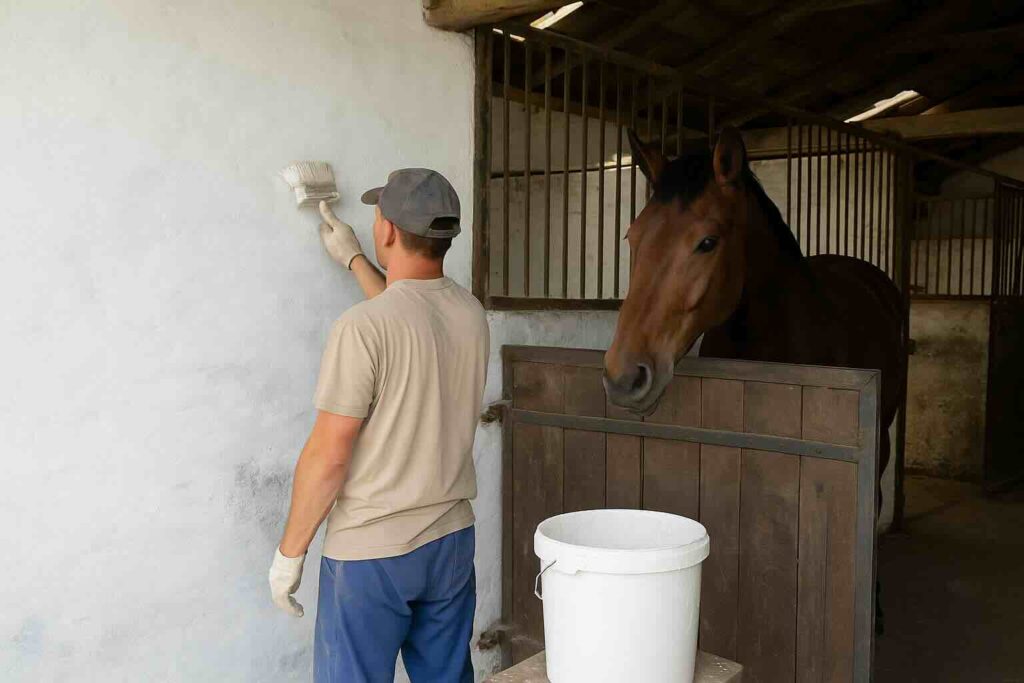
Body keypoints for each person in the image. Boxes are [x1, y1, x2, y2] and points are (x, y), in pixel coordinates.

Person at [268, 169, 489, 683]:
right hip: (451, 543)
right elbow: (408, 313)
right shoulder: (471, 313)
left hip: (373, 556)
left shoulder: (360, 329)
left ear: (387, 230)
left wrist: (290, 554)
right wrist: (353, 260)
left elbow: (328, 455)